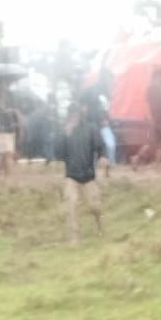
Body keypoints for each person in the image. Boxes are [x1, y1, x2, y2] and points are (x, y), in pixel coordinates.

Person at [56, 101, 104, 246]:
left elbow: (100, 147)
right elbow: (58, 154)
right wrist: (65, 135)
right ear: (68, 116)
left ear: (80, 115)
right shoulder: (64, 131)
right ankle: (74, 237)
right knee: (71, 204)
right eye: (71, 115)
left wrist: (103, 157)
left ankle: (100, 225)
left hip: (89, 176)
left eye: (76, 114)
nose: (74, 117)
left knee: (94, 206)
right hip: (71, 176)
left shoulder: (91, 129)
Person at [0, 87, 22, 179]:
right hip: (1, 130)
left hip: (11, 129)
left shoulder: (11, 95)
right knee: (7, 154)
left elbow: (17, 113)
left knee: (4, 155)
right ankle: (8, 177)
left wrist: (18, 125)